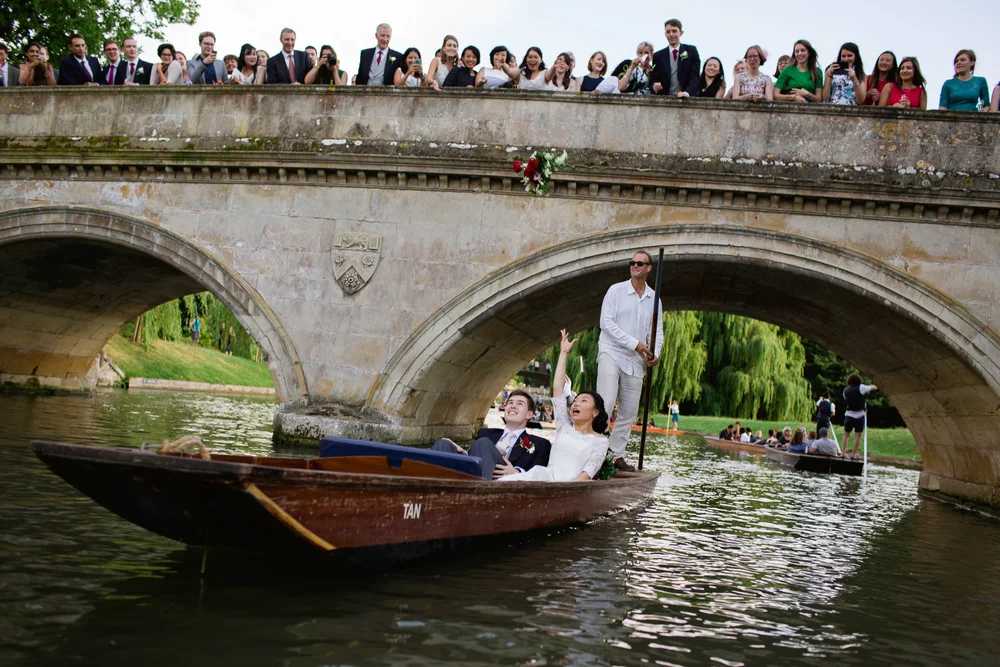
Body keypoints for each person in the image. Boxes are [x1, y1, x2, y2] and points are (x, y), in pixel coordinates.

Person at [499, 330, 610, 483]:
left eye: (583, 401)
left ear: (595, 412)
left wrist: (564, 490)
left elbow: (587, 474)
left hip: (571, 485)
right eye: (575, 400)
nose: (576, 403)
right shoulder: (564, 426)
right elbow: (558, 388)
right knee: (505, 482)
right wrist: (564, 352)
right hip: (545, 476)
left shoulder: (600, 441)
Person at [597, 250, 663, 472]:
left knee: (629, 413)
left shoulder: (655, 299)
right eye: (632, 263)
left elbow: (657, 331)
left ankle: (616, 456)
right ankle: (596, 452)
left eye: (640, 263)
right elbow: (606, 323)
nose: (635, 266)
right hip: (612, 352)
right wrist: (634, 344)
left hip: (636, 361)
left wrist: (655, 354)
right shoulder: (615, 291)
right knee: (605, 405)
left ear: (648, 268)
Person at [432, 389, 551, 480]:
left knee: (483, 443)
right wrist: (465, 453)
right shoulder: (486, 433)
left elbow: (540, 474)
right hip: (474, 473)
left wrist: (517, 473)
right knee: (443, 444)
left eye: (519, 404)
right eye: (510, 403)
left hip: (504, 482)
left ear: (529, 415)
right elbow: (480, 457)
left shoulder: (540, 444)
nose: (512, 406)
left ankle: (479, 498)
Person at [651, 18, 701, 97]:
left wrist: (686, 93)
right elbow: (654, 78)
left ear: (681, 33)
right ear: (665, 34)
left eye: (674, 31)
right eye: (668, 32)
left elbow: (695, 76)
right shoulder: (658, 56)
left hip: (687, 98)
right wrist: (655, 86)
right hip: (665, 99)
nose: (671, 34)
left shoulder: (691, 51)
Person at [842, 373, 878, 459]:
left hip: (849, 415)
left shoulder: (845, 391)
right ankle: (853, 455)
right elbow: (874, 387)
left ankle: (843, 453)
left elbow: (848, 400)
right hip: (860, 415)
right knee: (857, 436)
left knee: (846, 435)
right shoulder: (861, 387)